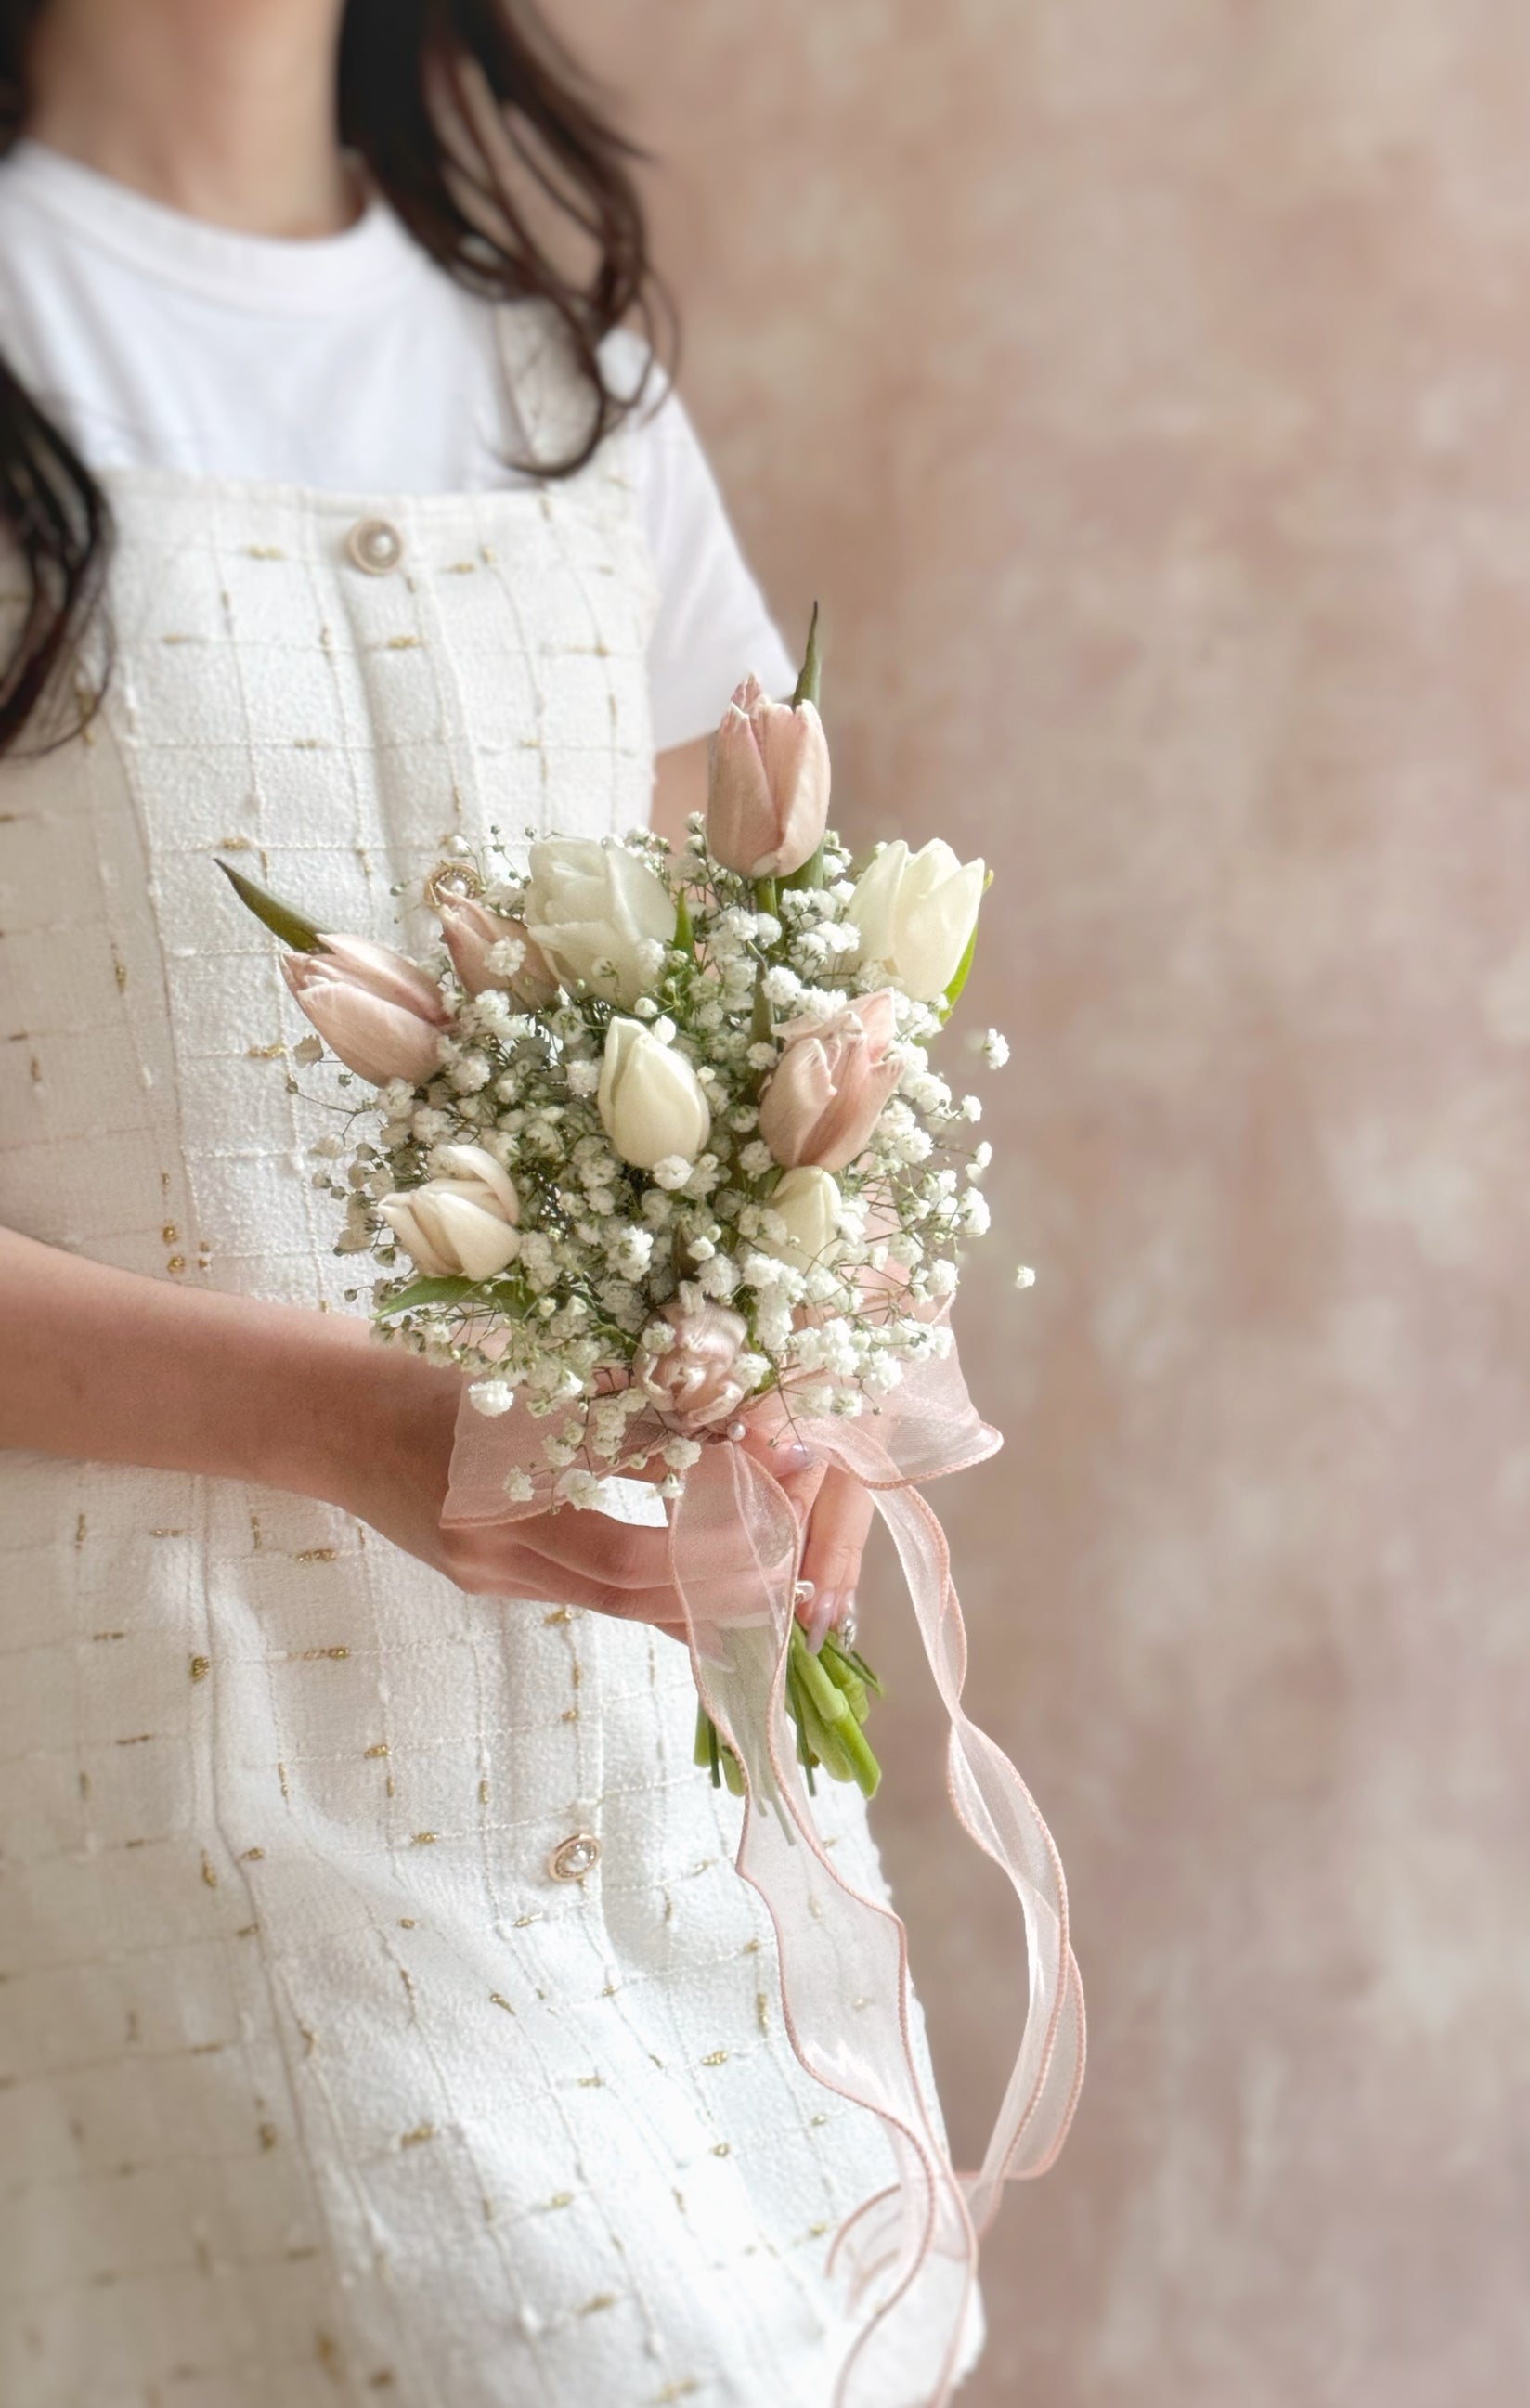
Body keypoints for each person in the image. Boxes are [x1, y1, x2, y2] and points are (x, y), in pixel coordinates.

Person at [0, 4, 979, 2402]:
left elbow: (769, 1021)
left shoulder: (563, 376)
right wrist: (352, 1418)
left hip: (626, 1777)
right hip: (132, 1773)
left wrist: (809, 1344)